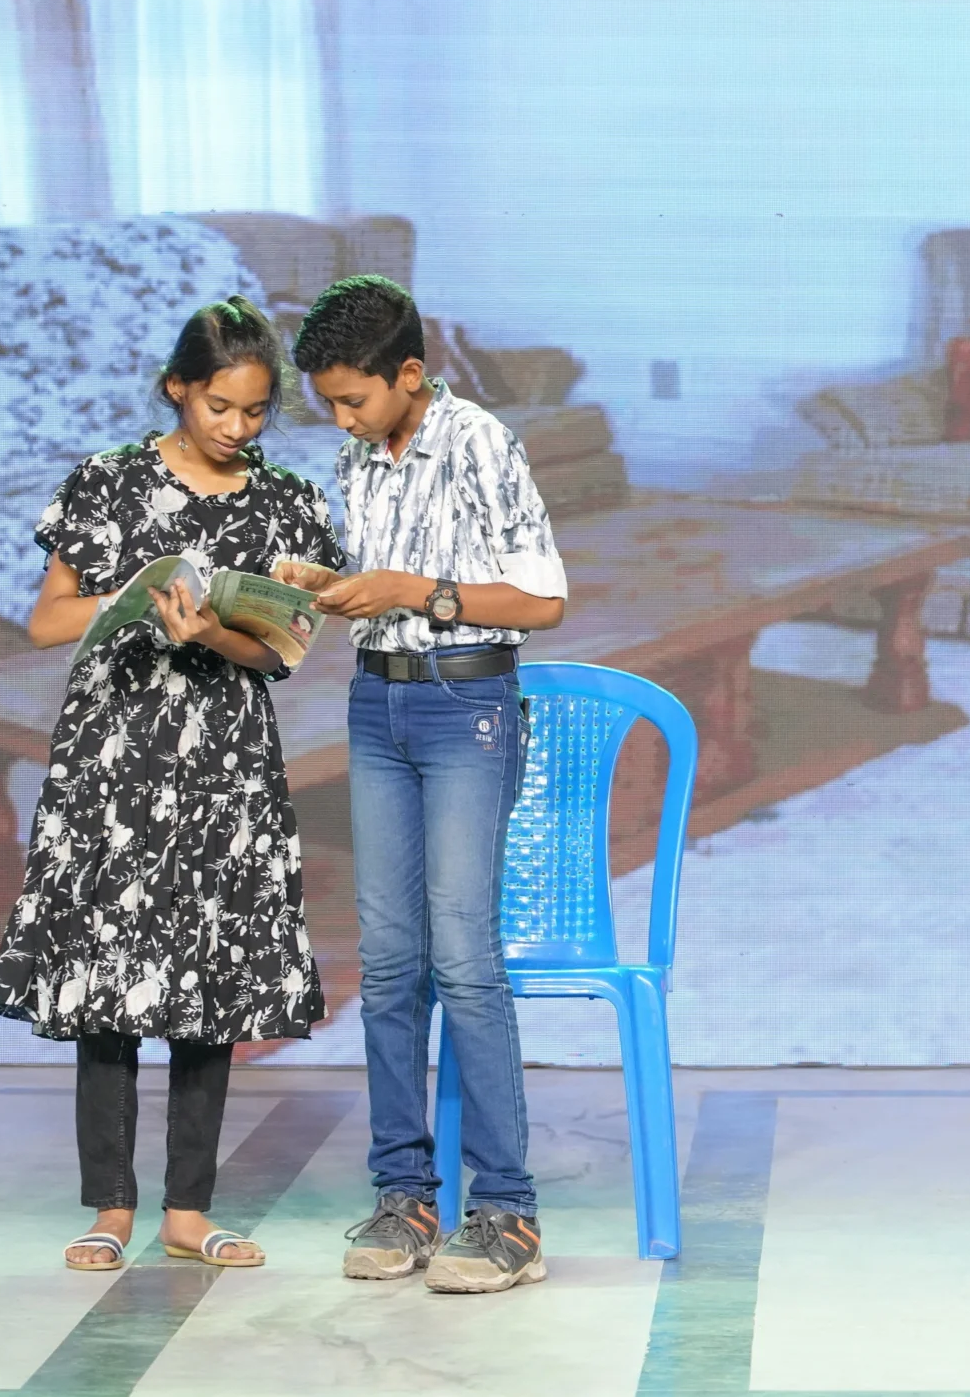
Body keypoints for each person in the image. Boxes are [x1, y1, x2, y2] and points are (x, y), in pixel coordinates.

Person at [0, 297, 344, 1271]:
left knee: (209, 976)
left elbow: (281, 651)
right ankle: (109, 1208)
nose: (238, 427)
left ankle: (189, 1211)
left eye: (257, 411)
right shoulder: (105, 483)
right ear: (177, 388)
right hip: (113, 761)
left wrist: (212, 630)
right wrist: (137, 598)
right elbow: (48, 621)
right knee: (106, 979)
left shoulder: (289, 501)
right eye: (220, 406)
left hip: (226, 764)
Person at [290, 275, 568, 1296]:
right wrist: (321, 586)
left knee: (463, 958)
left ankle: (507, 1213)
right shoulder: (355, 455)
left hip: (466, 708)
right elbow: (371, 583)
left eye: (353, 398)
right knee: (390, 961)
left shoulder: (480, 442)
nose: (341, 419)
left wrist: (415, 592)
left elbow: (542, 599)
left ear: (409, 373)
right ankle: (404, 1196)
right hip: (378, 705)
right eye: (328, 403)